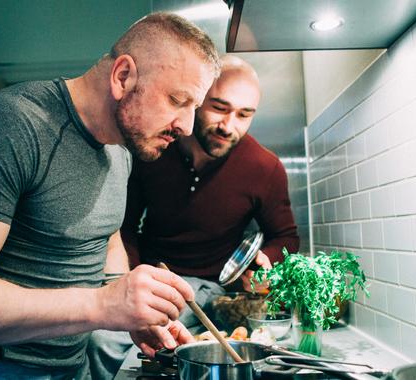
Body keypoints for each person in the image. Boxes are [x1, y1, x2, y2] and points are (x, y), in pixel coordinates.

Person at [0, 12, 220, 379]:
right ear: (123, 77)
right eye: (178, 100)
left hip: (69, 368)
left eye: (193, 108)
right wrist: (102, 305)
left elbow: (105, 236)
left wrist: (131, 314)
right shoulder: (7, 125)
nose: (187, 126)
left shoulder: (118, 150)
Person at [88, 55, 299, 379]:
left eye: (244, 115)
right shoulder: (154, 147)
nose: (230, 126)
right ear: (197, 99)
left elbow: (286, 237)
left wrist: (264, 264)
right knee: (102, 338)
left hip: (214, 289)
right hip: (154, 276)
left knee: (111, 338)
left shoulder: (265, 168)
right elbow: (124, 225)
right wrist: (128, 278)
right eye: (219, 107)